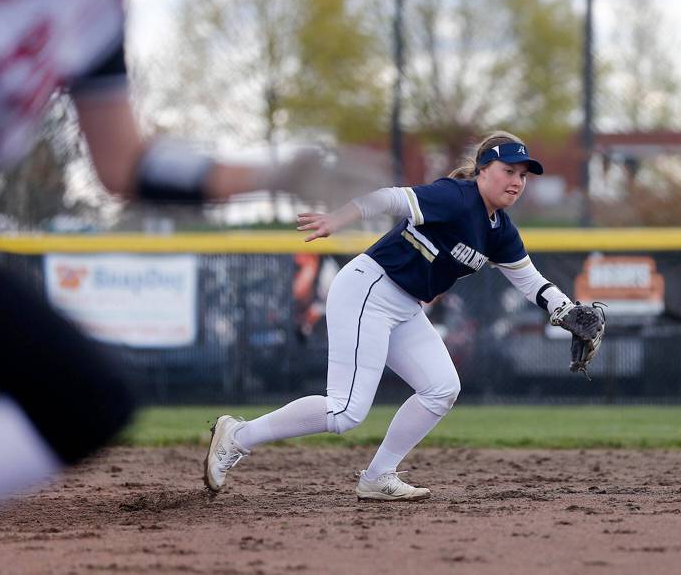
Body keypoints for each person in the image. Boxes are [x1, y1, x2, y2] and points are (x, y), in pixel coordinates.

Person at [0, 0, 372, 552]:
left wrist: (271, 174)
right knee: (77, 394)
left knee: (84, 397)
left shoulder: (97, 8)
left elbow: (124, 165)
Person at [204, 131, 607, 501]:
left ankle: (378, 476)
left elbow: (529, 280)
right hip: (369, 289)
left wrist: (566, 310)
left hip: (404, 306)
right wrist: (336, 220)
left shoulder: (500, 230)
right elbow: (387, 199)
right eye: (508, 170)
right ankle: (238, 436)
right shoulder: (456, 197)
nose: (517, 181)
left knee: (441, 388)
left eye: (523, 174)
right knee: (344, 411)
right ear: (483, 170)